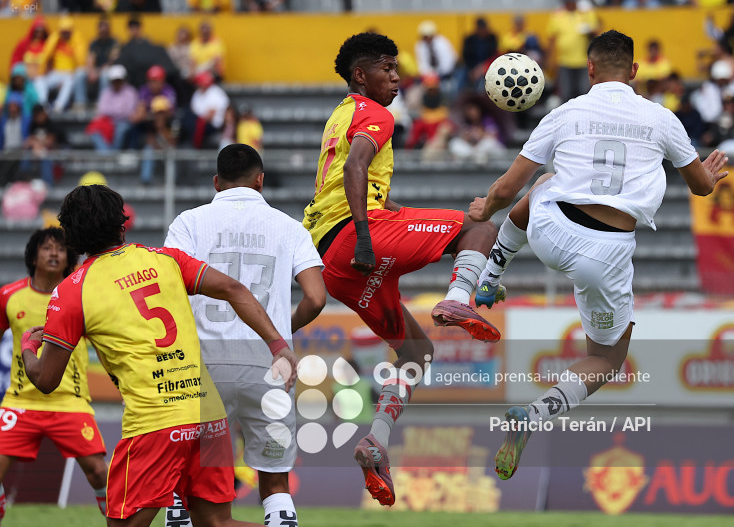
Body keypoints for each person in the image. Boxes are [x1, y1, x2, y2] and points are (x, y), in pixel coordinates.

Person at [467, 30, 729, 480]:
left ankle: (490, 274)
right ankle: (534, 414)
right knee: (607, 360)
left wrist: (485, 208)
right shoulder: (661, 118)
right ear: (634, 71)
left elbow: (508, 188)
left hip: (550, 230)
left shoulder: (564, 112)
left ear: (589, 69)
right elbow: (700, 187)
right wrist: (706, 174)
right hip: (604, 254)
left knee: (543, 185)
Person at [20, 184, 297, 526]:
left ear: (71, 239)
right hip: (208, 415)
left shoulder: (72, 291)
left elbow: (46, 380)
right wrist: (278, 344)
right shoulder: (166, 259)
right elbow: (234, 289)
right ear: (122, 225)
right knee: (217, 523)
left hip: (155, 425)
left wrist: (28, 349)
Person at [301, 32, 500, 507]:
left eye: (396, 68)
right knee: (479, 228)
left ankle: (377, 443)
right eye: (387, 68)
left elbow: (360, 181)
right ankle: (458, 298)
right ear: (360, 75)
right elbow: (356, 170)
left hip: (334, 264)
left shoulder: (339, 116)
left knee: (416, 351)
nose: (396, 76)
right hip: (357, 238)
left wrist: (396, 216)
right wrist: (370, 236)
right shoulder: (377, 113)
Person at [164, 143, 326, 527]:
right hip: (269, 366)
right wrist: (280, 330)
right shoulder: (289, 227)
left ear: (216, 182)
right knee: (275, 484)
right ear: (261, 180)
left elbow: (168, 288)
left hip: (203, 367)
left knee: (188, 484)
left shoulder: (188, 222)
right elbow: (317, 297)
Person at [0, 228, 108, 522]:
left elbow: (105, 343)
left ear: (68, 257)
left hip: (69, 404)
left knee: (100, 472)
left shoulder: (81, 295)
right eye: (47, 248)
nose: (54, 253)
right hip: (20, 403)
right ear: (33, 256)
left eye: (60, 249)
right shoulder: (9, 296)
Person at [546, 0, 600, 102]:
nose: (571, 4)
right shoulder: (558, 16)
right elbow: (551, 40)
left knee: (583, 93)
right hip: (564, 61)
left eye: (573, 1)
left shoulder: (585, 14)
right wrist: (550, 59)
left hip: (583, 61)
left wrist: (589, 31)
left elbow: (596, 33)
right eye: (568, 1)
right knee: (566, 94)